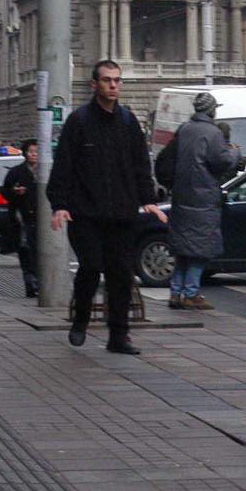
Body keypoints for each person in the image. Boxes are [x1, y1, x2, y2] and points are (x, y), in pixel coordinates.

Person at [47, 59, 166, 354]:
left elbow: (141, 165)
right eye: (107, 80)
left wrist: (148, 199)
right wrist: (60, 204)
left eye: (117, 80)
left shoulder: (127, 121)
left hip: (122, 214)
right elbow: (63, 166)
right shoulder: (79, 121)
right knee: (90, 267)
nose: (113, 86)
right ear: (94, 84)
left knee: (121, 274)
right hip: (85, 213)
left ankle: (119, 336)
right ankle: (81, 319)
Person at [162, 92, 242, 311]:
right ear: (211, 110)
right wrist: (235, 153)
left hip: (181, 196)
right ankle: (191, 293)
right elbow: (220, 161)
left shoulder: (184, 129)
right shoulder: (213, 132)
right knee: (200, 249)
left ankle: (175, 292)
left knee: (183, 249)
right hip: (203, 199)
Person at [2, 138, 40, 297]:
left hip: (42, 218)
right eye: (31, 152)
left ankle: (39, 281)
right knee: (26, 250)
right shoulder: (16, 172)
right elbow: (5, 191)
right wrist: (14, 191)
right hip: (23, 217)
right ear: (25, 153)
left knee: (41, 251)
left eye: (37, 152)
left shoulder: (46, 171)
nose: (34, 155)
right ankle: (31, 283)